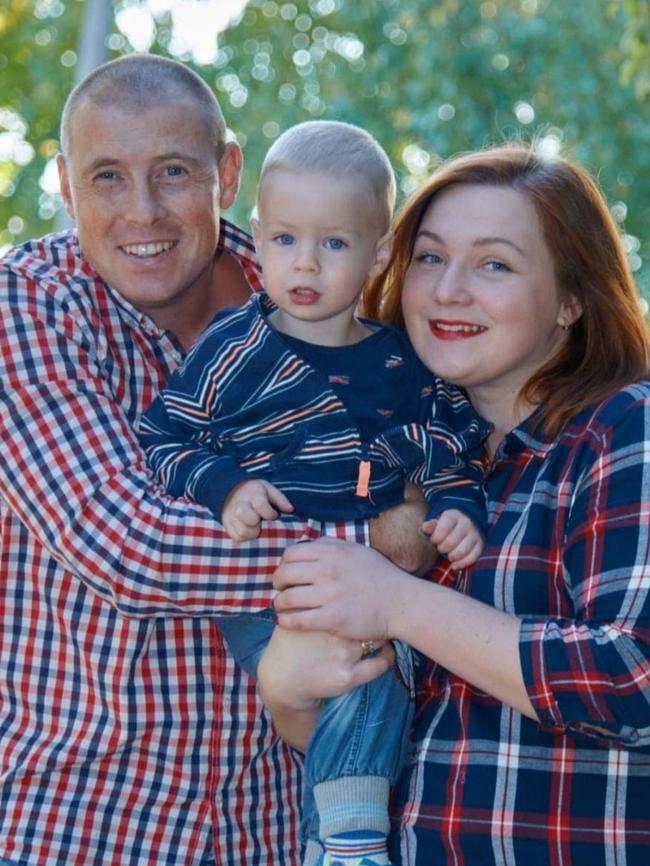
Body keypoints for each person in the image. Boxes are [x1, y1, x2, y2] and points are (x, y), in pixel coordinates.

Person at [0, 54, 433, 866]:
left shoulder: (324, 290)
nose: (143, 212)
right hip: (78, 821)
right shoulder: (28, 306)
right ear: (64, 184)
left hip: (271, 831)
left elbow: (413, 460)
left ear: (226, 172)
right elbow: (124, 540)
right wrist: (369, 547)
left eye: (171, 172)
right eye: (106, 178)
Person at [259, 144, 650, 866]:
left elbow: (635, 681)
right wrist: (288, 698)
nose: (448, 291)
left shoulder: (624, 430)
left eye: (494, 264)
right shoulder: (402, 463)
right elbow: (404, 735)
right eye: (430, 258)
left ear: (571, 299)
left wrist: (398, 604)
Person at [138, 119, 489, 866]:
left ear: (380, 252)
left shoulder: (399, 361)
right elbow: (164, 437)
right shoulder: (235, 349)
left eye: (333, 244)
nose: (305, 263)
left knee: (378, 675)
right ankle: (352, 842)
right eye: (286, 240)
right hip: (271, 590)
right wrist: (226, 484)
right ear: (258, 240)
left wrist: (459, 506)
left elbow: (446, 441)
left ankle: (334, 842)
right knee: (355, 657)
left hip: (377, 581)